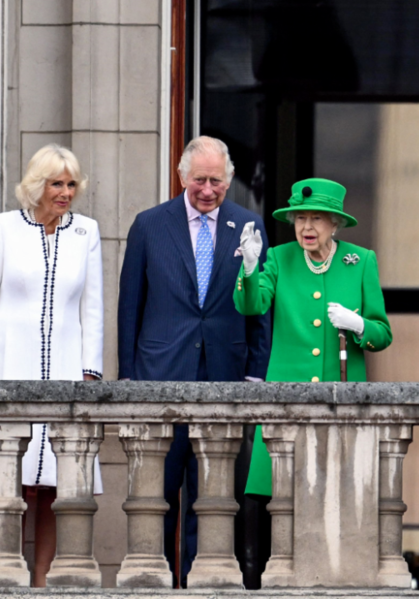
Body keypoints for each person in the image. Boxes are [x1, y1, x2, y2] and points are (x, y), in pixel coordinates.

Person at [117, 136, 271, 588]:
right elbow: (131, 305)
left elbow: (260, 305)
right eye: (200, 180)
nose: (208, 189)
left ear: (229, 179)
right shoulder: (149, 224)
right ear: (182, 176)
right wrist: (128, 375)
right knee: (156, 499)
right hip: (159, 378)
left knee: (214, 499)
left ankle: (205, 585)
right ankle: (158, 585)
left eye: (217, 181)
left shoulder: (248, 224)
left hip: (224, 378)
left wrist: (255, 373)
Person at [0, 144, 103, 586]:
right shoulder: (5, 228)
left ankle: (42, 582)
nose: (65, 192)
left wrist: (88, 375)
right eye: (56, 183)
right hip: (9, 366)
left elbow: (92, 309)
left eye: (71, 184)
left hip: (64, 369)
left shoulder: (87, 231)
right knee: (13, 481)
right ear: (37, 185)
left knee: (54, 486)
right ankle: (6, 574)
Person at [233, 178, 392, 495]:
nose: (306, 226)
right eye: (300, 218)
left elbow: (383, 334)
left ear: (335, 224)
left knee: (339, 497)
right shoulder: (280, 257)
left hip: (341, 403)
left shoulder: (360, 262)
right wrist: (249, 269)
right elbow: (251, 305)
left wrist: (359, 324)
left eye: (316, 218)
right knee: (285, 499)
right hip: (287, 400)